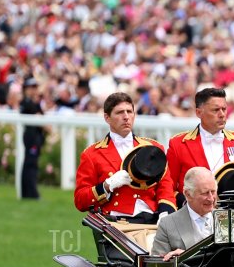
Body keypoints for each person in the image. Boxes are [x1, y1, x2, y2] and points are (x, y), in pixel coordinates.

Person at [74, 91, 175, 222]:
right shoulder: (92, 154)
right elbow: (80, 200)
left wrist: (165, 212)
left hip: (152, 218)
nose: (126, 117)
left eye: (129, 111)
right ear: (107, 118)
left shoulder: (152, 148)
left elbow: (165, 186)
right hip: (116, 222)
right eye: (119, 112)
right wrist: (106, 186)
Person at [166, 86, 234, 205]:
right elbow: (169, 185)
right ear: (199, 112)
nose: (222, 114)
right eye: (215, 110)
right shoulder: (178, 144)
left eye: (224, 109)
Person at [151, 166, 218, 258]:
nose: (211, 198)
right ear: (188, 194)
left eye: (213, 192)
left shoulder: (228, 220)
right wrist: (177, 260)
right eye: (204, 193)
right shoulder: (167, 224)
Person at [20, 77, 44, 200]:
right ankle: (31, 193)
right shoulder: (27, 103)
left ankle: (27, 193)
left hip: (35, 137)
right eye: (32, 87)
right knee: (30, 165)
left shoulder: (33, 103)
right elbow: (40, 119)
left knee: (30, 164)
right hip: (31, 137)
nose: (35, 90)